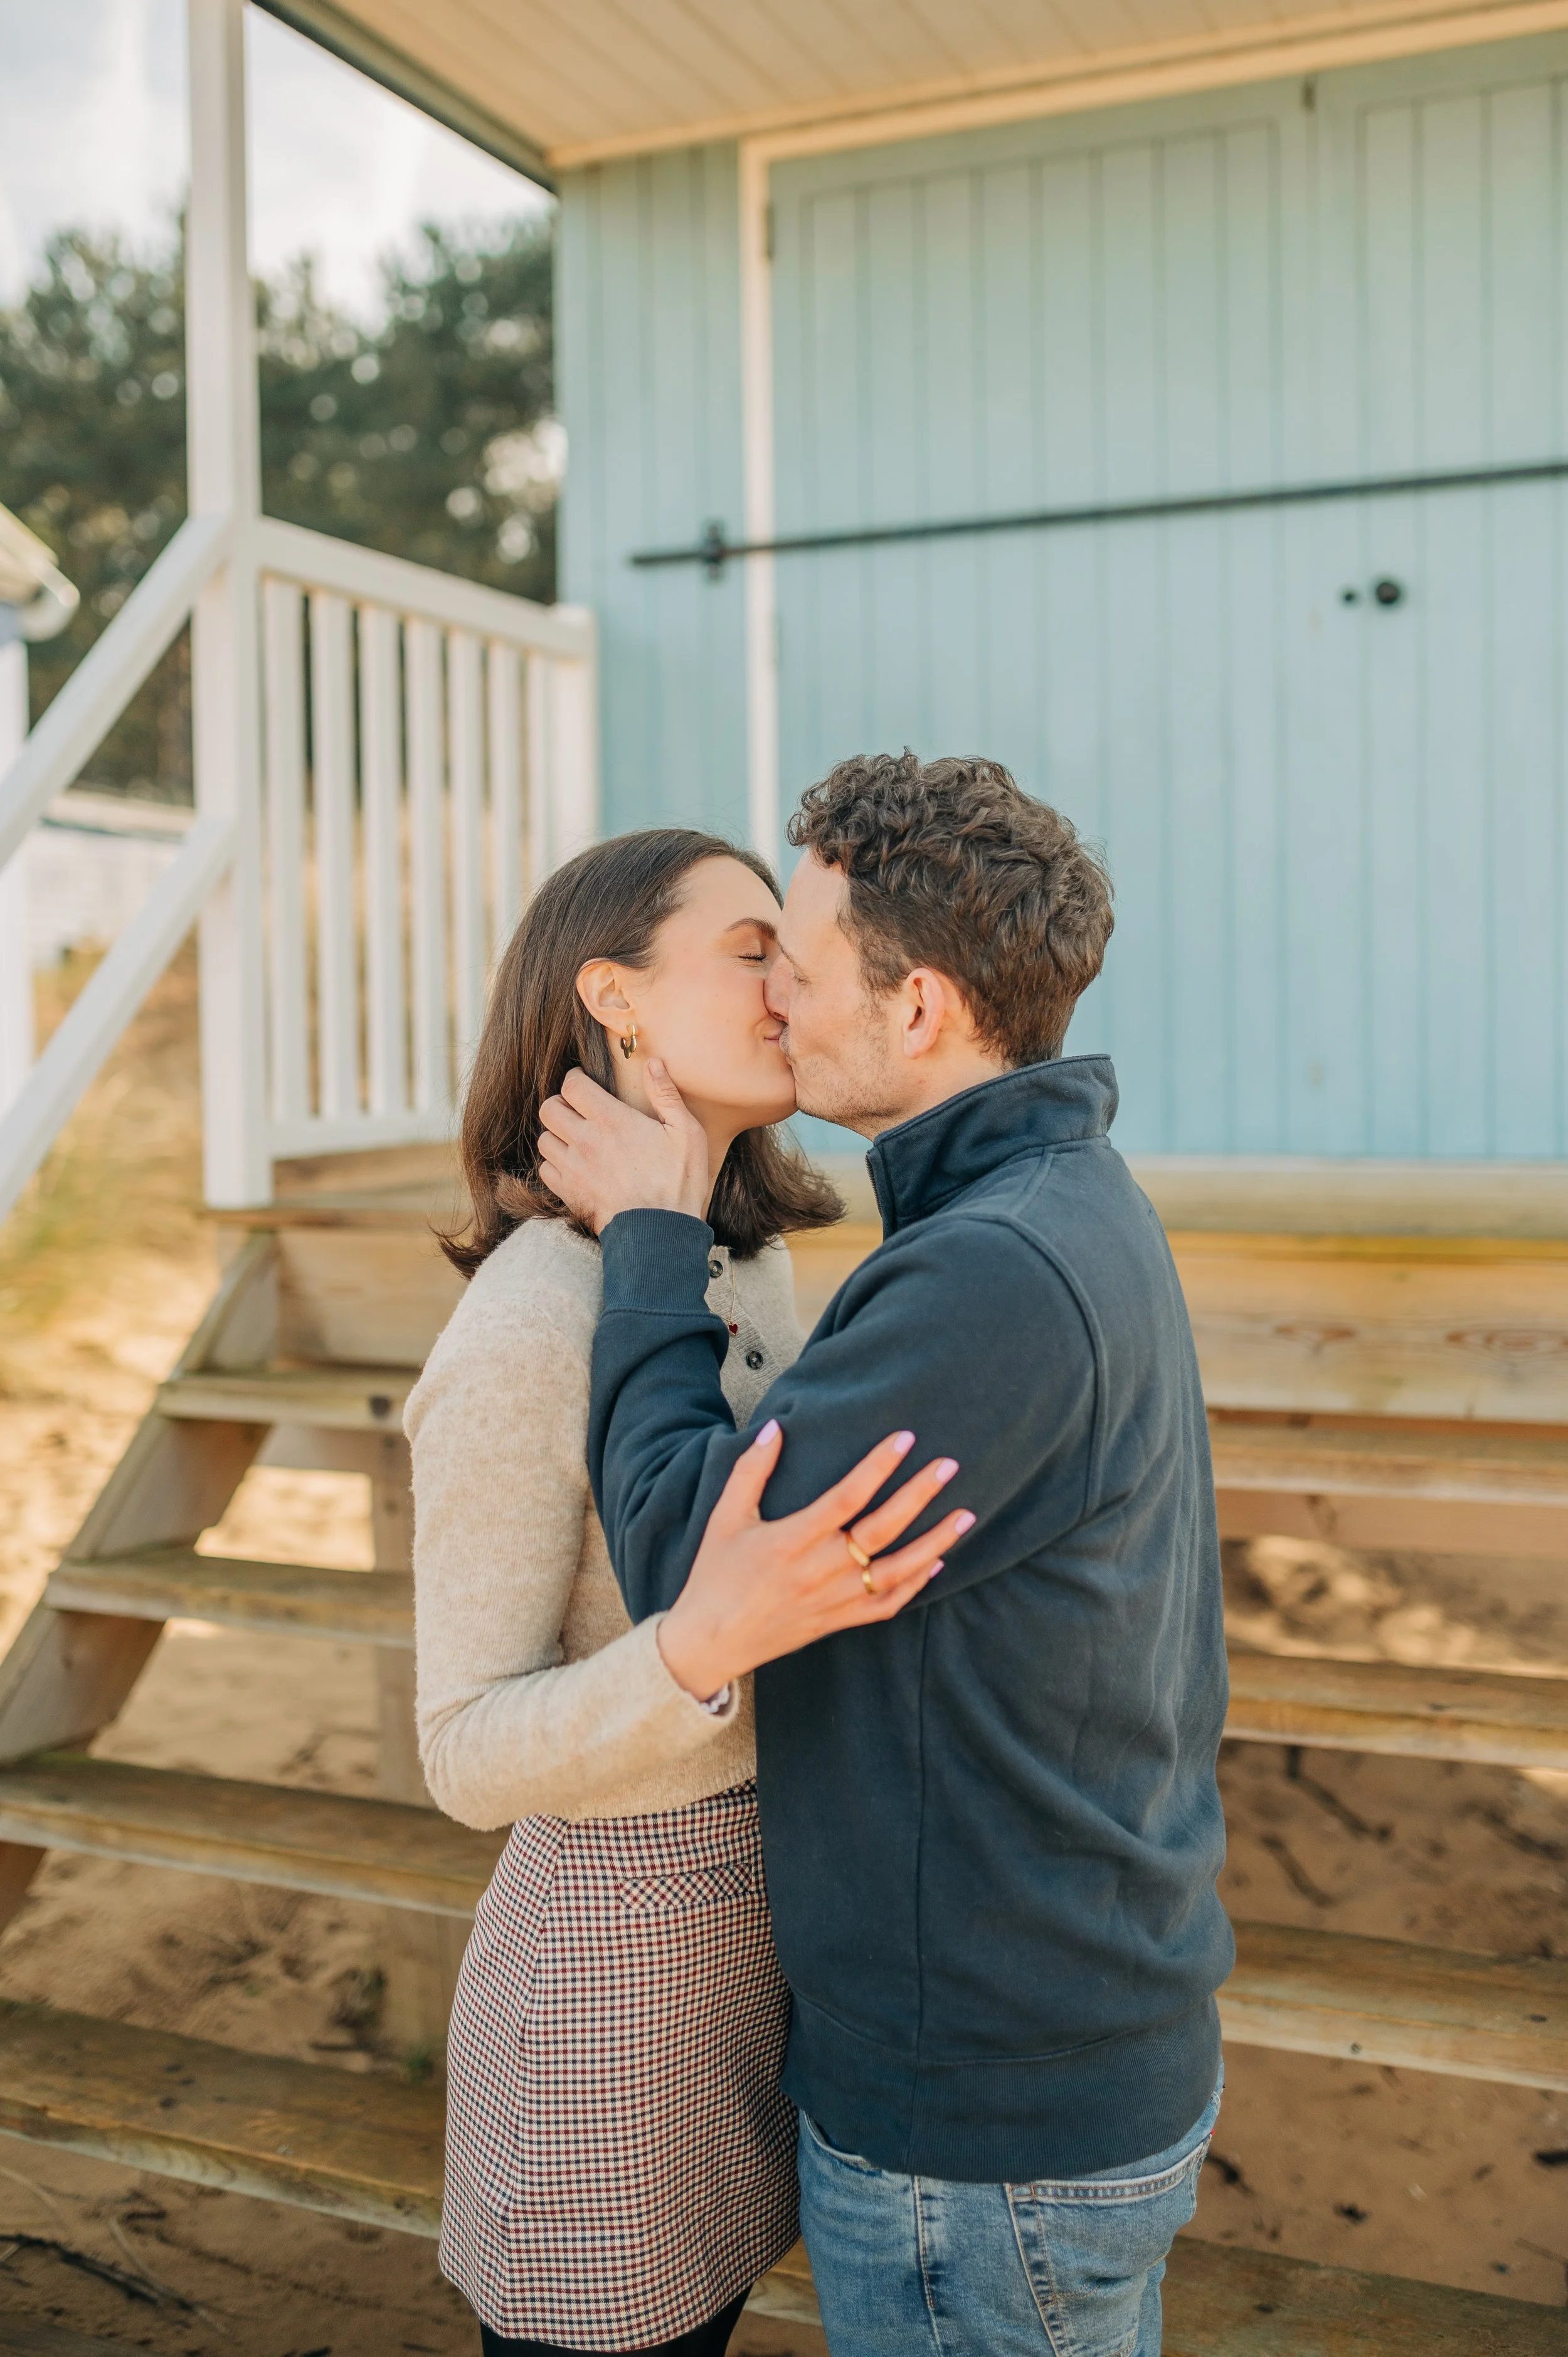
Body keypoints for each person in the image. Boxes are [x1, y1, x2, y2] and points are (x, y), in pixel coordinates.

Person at [538, 753, 1235, 2357]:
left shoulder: (987, 1274)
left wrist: (653, 1233)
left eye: (796, 951)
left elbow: (680, 1566)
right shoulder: (1049, 1207)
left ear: (915, 1009)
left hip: (984, 2131)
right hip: (1047, 2070)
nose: (773, 987)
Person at [408, 827, 971, 2357]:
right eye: (749, 951)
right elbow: (460, 1744)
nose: (793, 982)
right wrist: (696, 1649)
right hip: (607, 1990)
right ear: (616, 997)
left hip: (771, 1951)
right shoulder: (536, 1316)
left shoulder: (746, 1269)